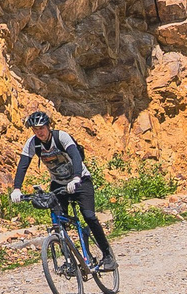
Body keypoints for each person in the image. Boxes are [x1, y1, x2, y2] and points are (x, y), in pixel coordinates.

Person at [10, 111, 112, 267]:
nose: (39, 132)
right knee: (58, 222)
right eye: (35, 129)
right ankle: (69, 260)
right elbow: (23, 165)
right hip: (58, 184)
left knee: (89, 216)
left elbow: (76, 156)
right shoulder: (33, 143)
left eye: (41, 128)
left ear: (48, 126)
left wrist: (77, 177)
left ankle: (107, 255)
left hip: (81, 180)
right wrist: (17, 188)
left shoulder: (61, 137)